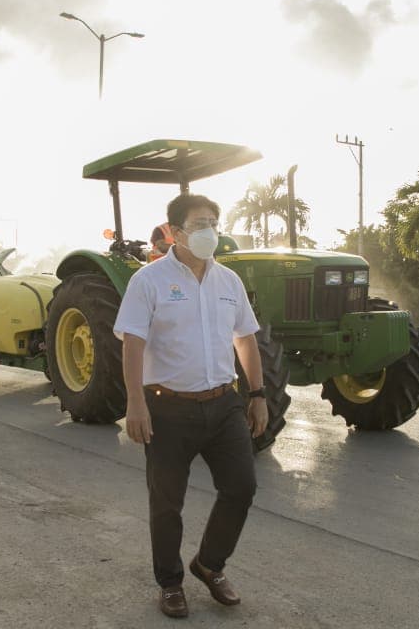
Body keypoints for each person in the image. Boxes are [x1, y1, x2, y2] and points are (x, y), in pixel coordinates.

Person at [113, 193, 267, 619]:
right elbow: (133, 344)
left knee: (241, 488)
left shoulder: (229, 281)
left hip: (223, 405)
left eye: (214, 222)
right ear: (174, 232)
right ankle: (170, 583)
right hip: (167, 410)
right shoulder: (149, 281)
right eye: (200, 224)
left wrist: (257, 395)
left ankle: (209, 564)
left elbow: (246, 339)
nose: (210, 231)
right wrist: (136, 402)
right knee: (167, 503)